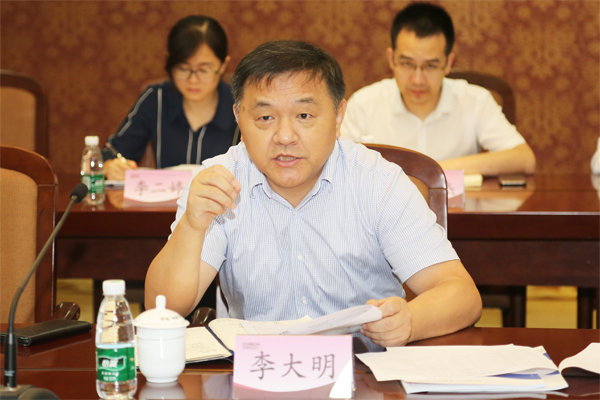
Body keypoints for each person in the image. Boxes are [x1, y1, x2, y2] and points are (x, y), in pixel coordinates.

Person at [145, 40, 481, 350]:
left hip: (362, 372)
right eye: (265, 117)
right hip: (256, 371)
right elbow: (163, 308)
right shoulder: (217, 184)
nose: (285, 136)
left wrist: (410, 321)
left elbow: (461, 294)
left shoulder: (379, 183)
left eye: (304, 115)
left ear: (338, 116)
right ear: (239, 118)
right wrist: (192, 226)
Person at [342, 2, 536, 176]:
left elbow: (524, 159)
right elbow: (336, 165)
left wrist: (433, 171)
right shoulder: (363, 105)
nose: (418, 80)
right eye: (407, 64)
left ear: (448, 63)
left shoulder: (475, 101)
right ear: (391, 59)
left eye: (430, 66)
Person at [103, 15, 239, 180]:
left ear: (223, 65)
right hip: (167, 197)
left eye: (204, 70)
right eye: (183, 68)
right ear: (169, 62)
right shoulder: (156, 99)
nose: (193, 80)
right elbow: (112, 154)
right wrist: (110, 166)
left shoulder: (240, 103)